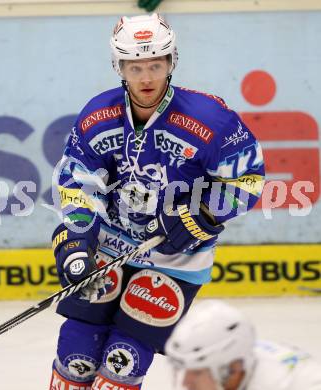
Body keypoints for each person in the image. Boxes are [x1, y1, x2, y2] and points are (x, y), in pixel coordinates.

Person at [49, 13, 265, 390]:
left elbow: (248, 179)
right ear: (119, 67)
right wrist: (78, 238)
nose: (146, 77)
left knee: (123, 360)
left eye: (155, 64)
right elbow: (75, 179)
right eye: (134, 67)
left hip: (176, 258)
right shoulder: (99, 114)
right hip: (109, 244)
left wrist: (199, 215)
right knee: (76, 351)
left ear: (171, 62)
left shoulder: (211, 119)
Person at [165, 300, 321, 390]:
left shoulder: (292, 383)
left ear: (233, 369)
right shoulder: (236, 364)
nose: (186, 381)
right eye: (183, 370)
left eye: (197, 372)